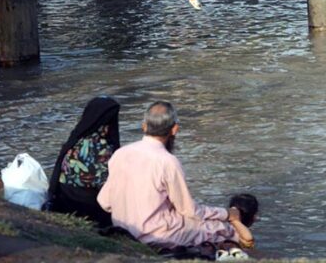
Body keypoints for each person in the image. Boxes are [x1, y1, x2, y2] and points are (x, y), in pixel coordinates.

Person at [97, 102, 252, 249]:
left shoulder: (120, 153)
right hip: (153, 235)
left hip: (122, 228)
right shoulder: (167, 161)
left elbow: (104, 201)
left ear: (144, 126)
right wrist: (226, 214)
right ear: (174, 130)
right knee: (218, 228)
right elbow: (189, 210)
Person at [46, 97, 121, 227]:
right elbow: (110, 191)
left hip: (64, 206)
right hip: (91, 212)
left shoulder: (75, 141)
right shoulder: (104, 150)